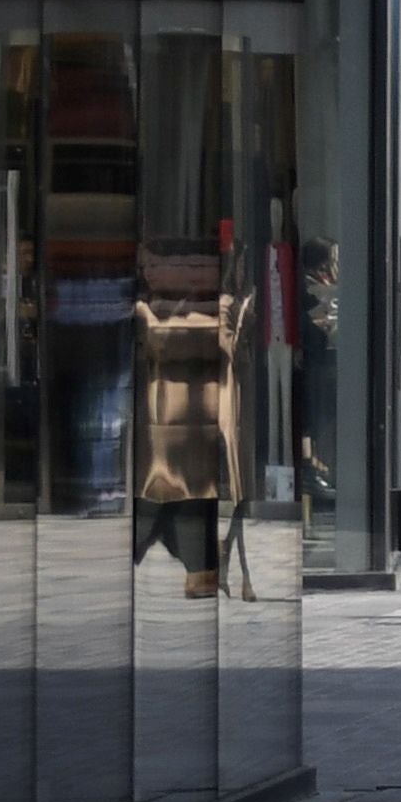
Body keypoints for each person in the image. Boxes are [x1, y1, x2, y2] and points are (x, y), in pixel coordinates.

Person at [131, 247, 240, 593]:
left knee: (174, 493)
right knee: (172, 493)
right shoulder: (217, 309)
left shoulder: (153, 309)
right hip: (172, 411)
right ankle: (202, 570)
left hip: (185, 410)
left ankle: (202, 570)